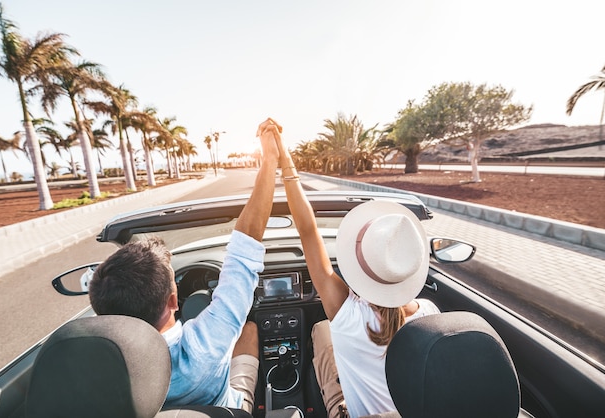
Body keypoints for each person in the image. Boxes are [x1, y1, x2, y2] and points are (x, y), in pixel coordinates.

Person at [88, 118, 282, 413]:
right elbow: (247, 242)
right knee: (250, 329)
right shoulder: (204, 346)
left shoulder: (99, 371)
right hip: (226, 410)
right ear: (174, 300)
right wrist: (270, 159)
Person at [271, 120, 440, 417]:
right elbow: (308, 231)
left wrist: (284, 159)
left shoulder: (347, 317)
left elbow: (308, 230)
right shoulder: (431, 314)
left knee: (321, 330)